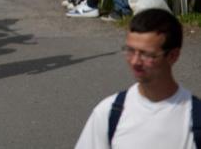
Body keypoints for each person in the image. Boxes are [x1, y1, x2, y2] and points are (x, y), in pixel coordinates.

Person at [75, 9, 200, 148]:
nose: (135, 61)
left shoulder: (195, 118)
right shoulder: (109, 113)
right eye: (130, 50)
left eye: (146, 54)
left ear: (173, 56)